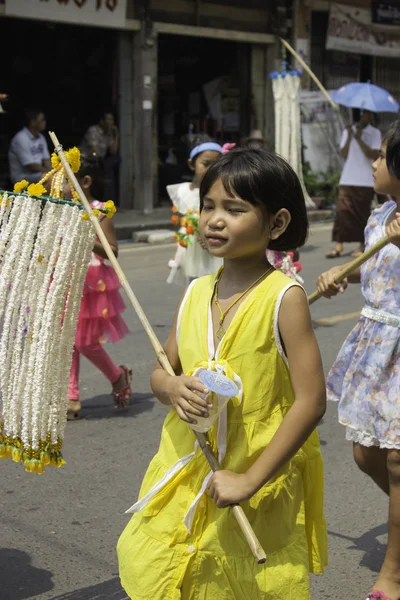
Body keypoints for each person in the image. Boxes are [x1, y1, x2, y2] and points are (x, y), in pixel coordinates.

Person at [118, 147, 327, 599]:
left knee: (237, 583)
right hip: (187, 464)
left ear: (276, 224)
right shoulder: (195, 291)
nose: (214, 219)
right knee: (176, 569)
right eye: (209, 205)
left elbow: (311, 402)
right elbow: (161, 371)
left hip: (253, 469)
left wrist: (251, 480)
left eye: (235, 209)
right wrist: (171, 386)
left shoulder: (284, 298)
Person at [317, 121, 400, 600]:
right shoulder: (379, 216)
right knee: (366, 454)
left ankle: (392, 573)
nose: (373, 162)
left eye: (383, 156)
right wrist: (339, 276)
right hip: (377, 352)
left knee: (396, 461)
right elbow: (375, 273)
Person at [66, 156, 131, 420]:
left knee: (86, 342)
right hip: (65, 280)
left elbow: (112, 250)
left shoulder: (100, 210)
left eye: (64, 181)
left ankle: (118, 376)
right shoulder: (60, 208)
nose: (56, 186)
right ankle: (71, 395)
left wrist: (88, 238)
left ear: (85, 181)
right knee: (68, 341)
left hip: (92, 283)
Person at [327, 109, 382, 259]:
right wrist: (351, 135)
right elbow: (343, 154)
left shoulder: (374, 133)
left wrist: (359, 139)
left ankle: (362, 245)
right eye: (364, 113)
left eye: (369, 114)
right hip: (348, 178)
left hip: (365, 180)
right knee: (342, 212)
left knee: (362, 214)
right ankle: (339, 246)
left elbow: (373, 154)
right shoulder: (348, 131)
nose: (366, 116)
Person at [167, 140, 224, 284]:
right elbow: (181, 225)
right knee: (195, 283)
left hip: (216, 243)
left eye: (217, 164)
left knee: (217, 282)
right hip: (193, 247)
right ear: (191, 164)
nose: (211, 169)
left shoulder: (224, 192)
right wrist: (177, 254)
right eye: (206, 164)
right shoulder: (184, 192)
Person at [81, 110, 120, 201]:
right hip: (87, 160)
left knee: (116, 159)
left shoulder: (109, 133)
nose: (111, 122)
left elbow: (113, 151)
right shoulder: (93, 131)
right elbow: (93, 151)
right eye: (109, 119)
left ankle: (111, 201)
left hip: (100, 161)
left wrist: (116, 135)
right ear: (102, 121)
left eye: (112, 120)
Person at [8, 108, 51, 185]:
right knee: (50, 178)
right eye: (42, 119)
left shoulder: (41, 137)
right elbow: (30, 166)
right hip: (21, 177)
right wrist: (49, 173)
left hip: (38, 173)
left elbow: (47, 160)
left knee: (56, 179)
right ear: (33, 122)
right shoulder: (21, 138)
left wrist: (53, 172)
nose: (44, 122)